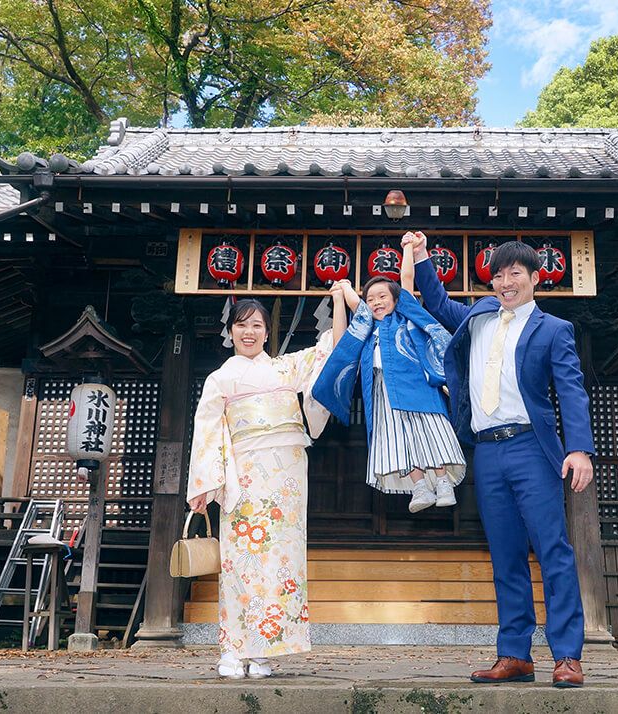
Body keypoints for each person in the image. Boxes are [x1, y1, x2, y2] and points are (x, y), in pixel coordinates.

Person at [406, 231, 596, 688]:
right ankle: (515, 654)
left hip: (532, 448)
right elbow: (437, 302)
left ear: (534, 278)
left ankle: (567, 656)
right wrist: (421, 257)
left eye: (515, 273)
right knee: (505, 555)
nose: (506, 281)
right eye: (498, 275)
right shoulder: (477, 317)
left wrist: (579, 448)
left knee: (553, 550)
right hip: (487, 450)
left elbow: (570, 388)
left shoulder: (553, 330)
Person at [186, 286, 346, 679]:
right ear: (232, 331)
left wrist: (340, 300)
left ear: (266, 332)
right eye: (242, 325)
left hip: (287, 479)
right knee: (240, 562)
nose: (250, 332)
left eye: (257, 325)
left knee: (280, 563)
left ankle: (262, 652)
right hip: (245, 476)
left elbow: (333, 347)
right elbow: (206, 428)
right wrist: (206, 483)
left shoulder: (285, 369)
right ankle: (232, 648)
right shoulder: (220, 379)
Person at [313, 240, 465, 513]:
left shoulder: (404, 318)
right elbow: (341, 343)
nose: (376, 302)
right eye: (370, 299)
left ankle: (443, 481)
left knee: (428, 431)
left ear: (396, 299)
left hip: (417, 386)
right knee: (400, 439)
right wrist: (341, 296)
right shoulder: (366, 328)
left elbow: (406, 278)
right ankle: (419, 486)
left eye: (382, 296)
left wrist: (408, 247)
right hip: (383, 391)